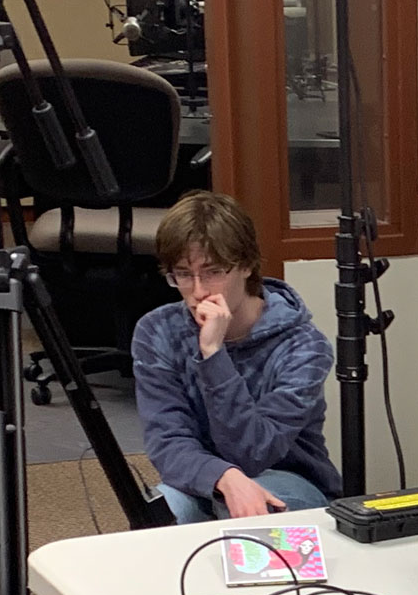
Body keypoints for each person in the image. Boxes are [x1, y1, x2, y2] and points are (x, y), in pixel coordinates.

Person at [131, 191, 341, 523]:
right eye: (183, 275)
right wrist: (223, 478)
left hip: (287, 477)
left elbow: (253, 452)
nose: (198, 291)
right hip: (203, 479)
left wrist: (213, 354)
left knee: (246, 511)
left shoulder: (303, 346)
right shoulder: (157, 332)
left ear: (245, 265)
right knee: (158, 515)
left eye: (212, 272)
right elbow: (168, 442)